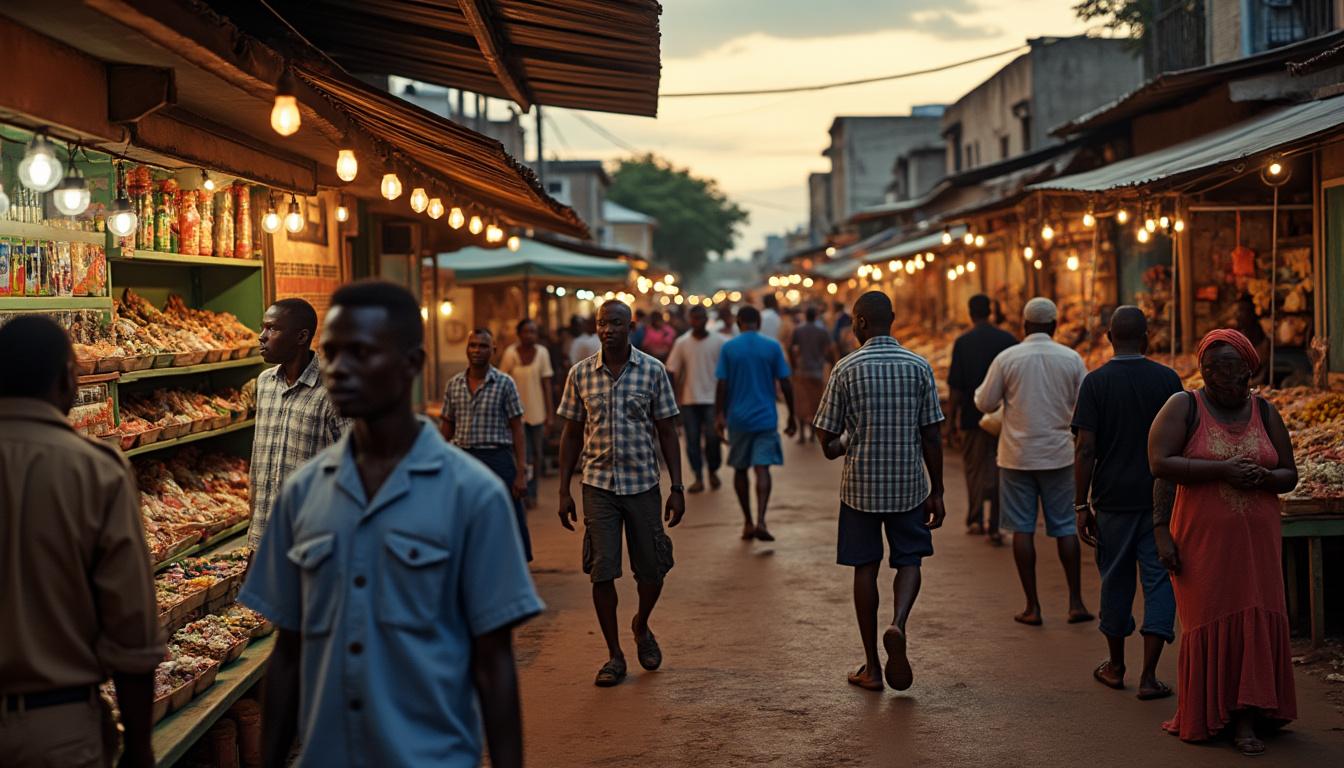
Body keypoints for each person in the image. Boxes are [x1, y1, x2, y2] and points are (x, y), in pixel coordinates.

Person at [241, 281, 541, 767]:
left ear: (412, 365)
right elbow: (289, 654)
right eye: (333, 353)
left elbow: (495, 665)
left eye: (361, 353)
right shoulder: (301, 496)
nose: (339, 370)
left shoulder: (474, 497)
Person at [0, 316, 164, 768]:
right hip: (59, 728)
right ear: (66, 379)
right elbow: (132, 628)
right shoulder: (95, 470)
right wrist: (140, 748)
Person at [1148, 329, 1298, 756]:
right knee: (1211, 619)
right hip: (1203, 545)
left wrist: (1266, 478)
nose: (1223, 379)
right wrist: (1221, 472)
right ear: (1203, 372)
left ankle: (1249, 718)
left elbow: (1289, 472)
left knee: (1256, 614)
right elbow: (1160, 464)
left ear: (1250, 370)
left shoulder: (1266, 412)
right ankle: (1213, 712)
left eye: (1233, 370)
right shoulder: (1184, 406)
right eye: (1213, 370)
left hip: (1258, 545)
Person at [813, 292, 945, 693]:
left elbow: (826, 434)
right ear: (893, 319)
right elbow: (932, 434)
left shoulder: (846, 368)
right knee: (909, 560)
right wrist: (936, 490)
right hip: (908, 484)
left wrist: (841, 446)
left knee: (865, 567)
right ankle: (898, 623)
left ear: (862, 324)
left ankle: (872, 666)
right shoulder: (919, 365)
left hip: (861, 489)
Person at [557, 300, 686, 687]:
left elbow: (667, 431)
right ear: (596, 328)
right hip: (597, 486)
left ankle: (641, 624)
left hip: (643, 484)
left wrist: (676, 487)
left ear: (631, 326)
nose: (608, 330)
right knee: (602, 571)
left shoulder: (653, 371)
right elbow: (569, 433)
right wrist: (562, 489)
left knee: (652, 570)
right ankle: (614, 655)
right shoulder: (580, 374)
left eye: (615, 323)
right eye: (602, 323)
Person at [1071, 307, 1181, 701]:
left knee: (1114, 580)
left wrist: (1080, 505)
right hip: (1161, 502)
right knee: (1160, 581)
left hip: (1112, 501)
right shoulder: (1168, 379)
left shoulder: (1096, 383)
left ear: (1108, 337)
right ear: (1147, 338)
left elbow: (1085, 449)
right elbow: (1183, 440)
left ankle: (1116, 667)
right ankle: (1150, 676)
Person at [974, 297, 1093, 626]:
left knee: (1022, 529)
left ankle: (1033, 606)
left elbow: (985, 403)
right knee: (1065, 527)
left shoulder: (1008, 358)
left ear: (1024, 326)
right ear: (1054, 325)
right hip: (1059, 454)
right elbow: (1086, 405)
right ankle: (1075, 602)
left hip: (1017, 456)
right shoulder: (1071, 358)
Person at [248, 298, 349, 549]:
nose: (262, 336)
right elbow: (260, 471)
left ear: (301, 337)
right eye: (263, 327)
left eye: (273, 329)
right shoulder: (265, 384)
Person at [440, 328, 534, 561]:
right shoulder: (454, 385)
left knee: (509, 515)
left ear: (494, 350)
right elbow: (447, 427)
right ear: (466, 349)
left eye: (483, 346)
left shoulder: (504, 384)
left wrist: (521, 471)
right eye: (473, 345)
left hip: (497, 459)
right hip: (463, 460)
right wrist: (438, 462)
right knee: (463, 516)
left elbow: (517, 428)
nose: (477, 351)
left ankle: (515, 565)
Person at [715, 305, 797, 541]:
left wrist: (719, 415)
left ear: (739, 322)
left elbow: (722, 384)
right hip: (765, 418)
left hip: (738, 418)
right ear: (758, 323)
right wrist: (791, 415)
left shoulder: (729, 347)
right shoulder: (772, 346)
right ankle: (761, 519)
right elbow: (786, 382)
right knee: (762, 468)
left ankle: (748, 522)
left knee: (740, 469)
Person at [947, 294, 1017, 544]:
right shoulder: (1008, 340)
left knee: (974, 468)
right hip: (1004, 417)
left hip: (971, 416)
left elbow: (955, 385)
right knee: (998, 468)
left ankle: (975, 518)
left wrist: (950, 420)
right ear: (990, 311)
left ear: (970, 312)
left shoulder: (963, 342)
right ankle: (996, 522)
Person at [666, 305, 727, 493]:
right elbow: (671, 370)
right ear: (689, 320)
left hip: (712, 400)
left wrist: (724, 404)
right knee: (692, 441)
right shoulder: (682, 343)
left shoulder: (719, 342)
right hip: (689, 399)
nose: (697, 322)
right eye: (693, 318)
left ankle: (713, 470)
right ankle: (698, 476)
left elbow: (726, 375)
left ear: (706, 319)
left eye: (700, 318)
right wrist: (674, 398)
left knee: (712, 439)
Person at [500, 318, 554, 509]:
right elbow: (502, 383)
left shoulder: (542, 353)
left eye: (532, 332)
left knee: (537, 454)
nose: (529, 335)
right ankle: (523, 491)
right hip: (515, 414)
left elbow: (546, 384)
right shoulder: (510, 354)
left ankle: (533, 491)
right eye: (526, 331)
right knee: (523, 454)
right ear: (519, 333)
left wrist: (550, 414)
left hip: (537, 412)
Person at [789, 305, 835, 444]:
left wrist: (794, 366)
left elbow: (791, 349)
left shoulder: (798, 329)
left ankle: (802, 434)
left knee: (801, 403)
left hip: (801, 371)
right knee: (816, 405)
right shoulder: (822, 330)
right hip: (817, 371)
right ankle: (813, 435)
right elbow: (829, 350)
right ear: (815, 315)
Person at [1233, 297, 1272, 385]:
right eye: (1237, 311)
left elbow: (1262, 370)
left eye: (1242, 311)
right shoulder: (1240, 334)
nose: (1237, 315)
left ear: (1250, 314)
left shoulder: (1261, 339)